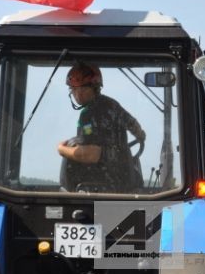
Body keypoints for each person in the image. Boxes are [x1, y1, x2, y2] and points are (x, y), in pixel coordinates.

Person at [57, 62, 145, 192]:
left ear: (95, 88)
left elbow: (92, 154)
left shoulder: (87, 114)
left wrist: (62, 149)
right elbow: (134, 127)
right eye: (74, 89)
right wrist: (140, 136)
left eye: (83, 89)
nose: (78, 94)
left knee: (70, 148)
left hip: (101, 186)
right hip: (125, 183)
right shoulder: (113, 105)